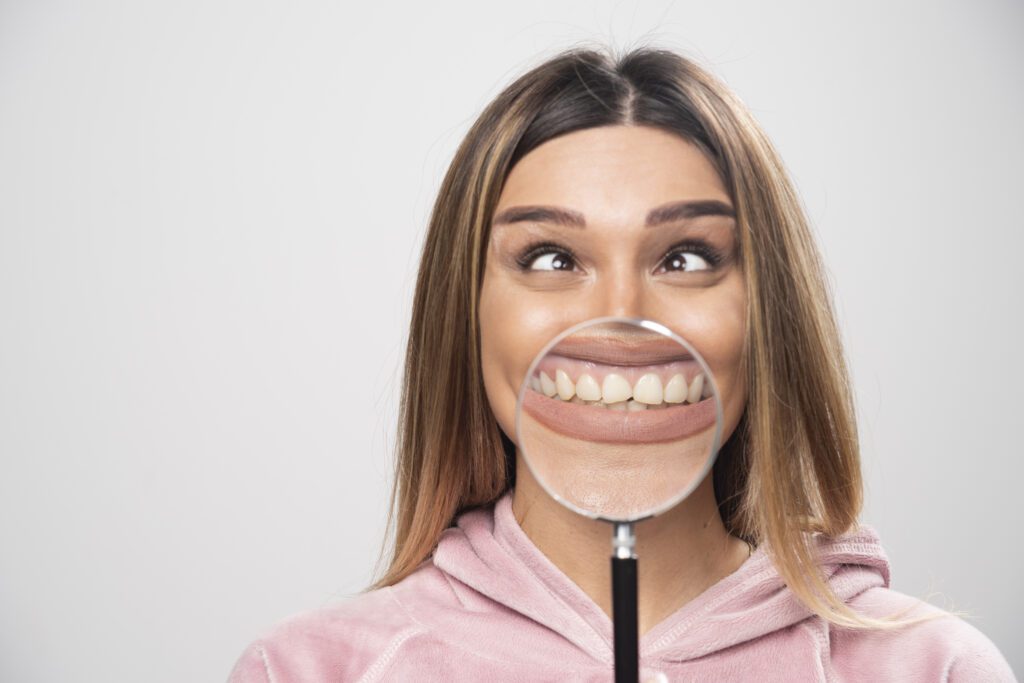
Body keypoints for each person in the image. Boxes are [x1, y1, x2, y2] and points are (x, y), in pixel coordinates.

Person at [228, 45, 1016, 682]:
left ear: (769, 312)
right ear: (463, 314)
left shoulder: (931, 669)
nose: (622, 315)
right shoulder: (307, 670)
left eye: (684, 257)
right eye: (547, 257)